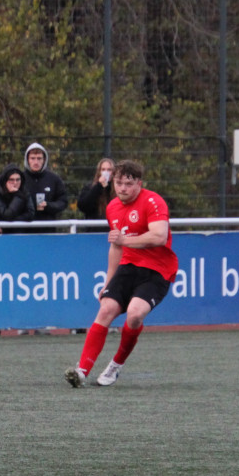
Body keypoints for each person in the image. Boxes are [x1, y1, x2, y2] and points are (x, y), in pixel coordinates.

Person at [64, 159, 178, 388]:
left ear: (139, 183)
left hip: (157, 270)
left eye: (128, 183)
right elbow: (116, 245)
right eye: (118, 183)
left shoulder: (153, 201)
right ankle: (82, 371)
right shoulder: (112, 207)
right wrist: (108, 281)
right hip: (128, 268)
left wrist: (126, 240)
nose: (123, 188)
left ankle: (116, 365)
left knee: (135, 315)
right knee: (105, 309)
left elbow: (159, 236)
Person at [21, 142, 68, 231]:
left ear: (44, 160)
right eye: (32, 158)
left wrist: (48, 206)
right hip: (23, 230)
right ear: (27, 159)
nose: (36, 162)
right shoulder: (19, 179)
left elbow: (63, 202)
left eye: (39, 158)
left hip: (47, 231)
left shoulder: (54, 179)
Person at [0, 164, 34, 233]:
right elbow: (7, 215)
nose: (15, 183)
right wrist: (18, 197)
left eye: (18, 180)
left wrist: (11, 222)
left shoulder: (24, 191)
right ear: (5, 181)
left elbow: (30, 213)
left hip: (16, 233)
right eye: (11, 180)